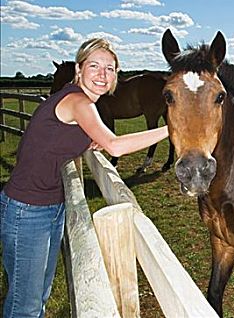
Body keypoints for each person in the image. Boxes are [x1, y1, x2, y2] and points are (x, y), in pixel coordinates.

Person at [0, 38, 169, 317]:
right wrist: (173, 129)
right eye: (94, 66)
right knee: (24, 307)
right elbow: (114, 145)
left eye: (110, 68)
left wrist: (86, 140)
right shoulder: (79, 101)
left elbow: (64, 135)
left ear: (117, 76)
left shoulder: (75, 98)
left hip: (48, 207)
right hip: (27, 211)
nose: (103, 75)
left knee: (38, 297)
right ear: (79, 69)